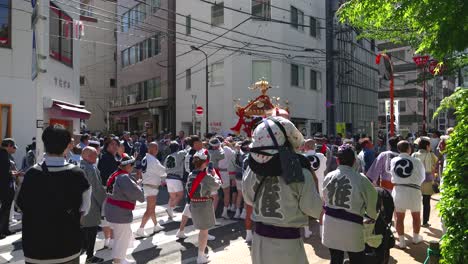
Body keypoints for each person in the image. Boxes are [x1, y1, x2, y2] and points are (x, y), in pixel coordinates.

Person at [243, 117, 323, 264]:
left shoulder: (251, 169)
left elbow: (248, 199)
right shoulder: (299, 171)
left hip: (259, 241)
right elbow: (312, 208)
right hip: (288, 243)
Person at [16, 126, 91, 264]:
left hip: (35, 248)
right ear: (68, 145)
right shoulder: (78, 174)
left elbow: (20, 205)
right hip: (67, 245)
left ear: (44, 143)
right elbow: (85, 209)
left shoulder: (31, 174)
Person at [322, 144, 378, 264]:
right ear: (354, 161)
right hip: (352, 226)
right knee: (357, 259)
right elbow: (373, 204)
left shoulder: (329, 176)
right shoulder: (361, 179)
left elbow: (325, 199)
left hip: (330, 223)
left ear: (337, 160)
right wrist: (371, 219)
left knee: (335, 258)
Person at [105, 154, 144, 264]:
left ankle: (121, 258)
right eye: (132, 166)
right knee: (122, 237)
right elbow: (136, 194)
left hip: (112, 209)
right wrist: (139, 186)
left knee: (122, 236)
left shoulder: (115, 174)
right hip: (119, 211)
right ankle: (118, 261)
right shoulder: (124, 177)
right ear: (128, 166)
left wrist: (135, 184)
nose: (132, 169)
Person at [186, 149, 222, 264]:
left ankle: (201, 254)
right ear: (205, 162)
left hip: (193, 203)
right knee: (204, 232)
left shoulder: (191, 174)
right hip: (204, 205)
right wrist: (214, 174)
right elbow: (217, 185)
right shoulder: (205, 176)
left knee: (202, 231)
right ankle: (200, 256)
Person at [390, 140, 426, 248]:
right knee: (416, 215)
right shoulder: (416, 161)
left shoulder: (393, 161)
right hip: (413, 190)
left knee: (399, 217)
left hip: (399, 190)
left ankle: (401, 242)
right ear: (409, 149)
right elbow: (422, 177)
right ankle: (415, 237)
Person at [80, 147, 106, 263]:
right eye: (95, 156)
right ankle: (90, 257)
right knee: (92, 230)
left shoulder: (79, 165)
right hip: (91, 203)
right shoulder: (90, 168)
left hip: (80, 203)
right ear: (88, 156)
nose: (96, 158)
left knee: (84, 229)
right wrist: (103, 203)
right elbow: (96, 188)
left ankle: (83, 249)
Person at [136, 142, 167, 237]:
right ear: (153, 149)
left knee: (152, 208)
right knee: (149, 209)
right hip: (151, 187)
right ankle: (141, 228)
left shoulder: (146, 158)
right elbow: (163, 172)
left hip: (148, 185)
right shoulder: (153, 160)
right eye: (156, 149)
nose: (157, 151)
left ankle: (155, 225)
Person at [302, 138, 327, 238]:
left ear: (305, 147)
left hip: (307, 186)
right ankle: (322, 232)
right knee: (322, 209)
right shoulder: (321, 156)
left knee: (304, 208)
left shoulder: (302, 157)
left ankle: (307, 231)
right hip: (321, 186)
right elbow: (324, 168)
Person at [98, 137, 120, 248]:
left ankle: (108, 240)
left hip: (108, 189)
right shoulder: (106, 157)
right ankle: (110, 239)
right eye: (112, 144)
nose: (114, 146)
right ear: (107, 145)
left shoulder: (113, 157)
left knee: (106, 216)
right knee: (109, 215)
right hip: (108, 189)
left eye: (116, 144)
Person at [412, 136, 438, 228]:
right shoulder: (431, 155)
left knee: (416, 203)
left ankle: (416, 222)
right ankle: (425, 222)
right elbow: (436, 162)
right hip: (427, 182)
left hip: (416, 182)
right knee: (426, 202)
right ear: (427, 146)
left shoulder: (414, 155)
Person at [0, 138, 23, 239]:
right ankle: (2, 230)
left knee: (6, 209)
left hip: (5, 185)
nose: (14, 149)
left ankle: (5, 229)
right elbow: (5, 173)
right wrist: (16, 173)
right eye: (13, 147)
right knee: (5, 209)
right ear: (9, 145)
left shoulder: (4, 155)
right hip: (5, 186)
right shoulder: (3, 155)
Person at [164, 141, 186, 219]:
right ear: (177, 147)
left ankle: (170, 212)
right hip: (176, 178)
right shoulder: (179, 154)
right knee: (180, 195)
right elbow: (187, 150)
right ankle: (170, 208)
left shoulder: (168, 156)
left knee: (172, 197)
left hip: (168, 178)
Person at [217, 137, 236, 219]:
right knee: (226, 193)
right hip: (224, 172)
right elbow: (234, 155)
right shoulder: (227, 149)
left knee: (212, 194)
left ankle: (211, 211)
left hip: (214, 171)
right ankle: (224, 212)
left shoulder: (211, 149)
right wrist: (230, 146)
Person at [207, 138, 225, 220]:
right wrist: (220, 147)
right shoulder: (217, 152)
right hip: (213, 173)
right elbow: (223, 155)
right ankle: (212, 216)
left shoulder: (205, 151)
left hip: (205, 173)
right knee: (216, 196)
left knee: (208, 194)